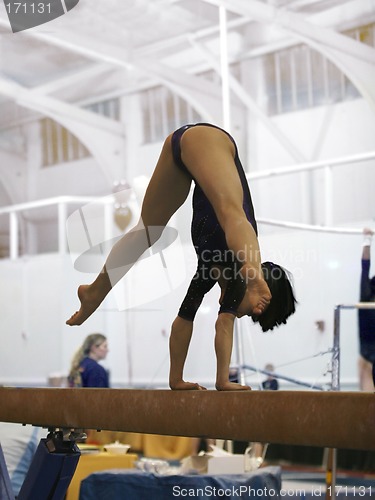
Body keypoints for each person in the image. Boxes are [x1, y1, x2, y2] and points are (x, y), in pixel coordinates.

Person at [67, 123, 296, 391]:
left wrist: (176, 379)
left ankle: (95, 291)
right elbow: (234, 219)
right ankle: (96, 291)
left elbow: (187, 319)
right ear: (262, 298)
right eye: (252, 313)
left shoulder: (208, 271)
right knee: (230, 212)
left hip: (178, 149)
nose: (243, 315)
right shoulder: (243, 257)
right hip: (209, 141)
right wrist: (252, 271)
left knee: (147, 231)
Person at [358, 228, 375, 391]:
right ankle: (367, 241)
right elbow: (365, 267)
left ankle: (367, 241)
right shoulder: (366, 294)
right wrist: (367, 240)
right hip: (367, 349)